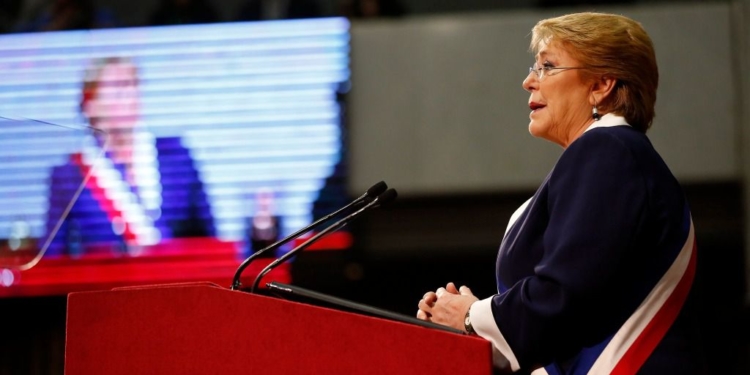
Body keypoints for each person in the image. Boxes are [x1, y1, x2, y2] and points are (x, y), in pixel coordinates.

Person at [416, 12, 707, 374]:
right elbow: (574, 318)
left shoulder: (608, 150)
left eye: (547, 67)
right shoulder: (611, 155)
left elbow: (563, 297)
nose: (528, 82)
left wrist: (472, 316)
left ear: (601, 85)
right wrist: (469, 322)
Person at [45, 57, 215, 257]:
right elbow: (52, 254)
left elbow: (209, 239)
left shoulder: (176, 156)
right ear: (90, 105)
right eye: (118, 87)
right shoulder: (71, 175)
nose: (129, 94)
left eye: (133, 85)